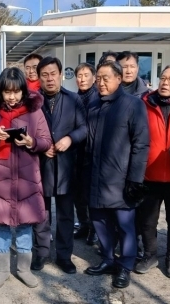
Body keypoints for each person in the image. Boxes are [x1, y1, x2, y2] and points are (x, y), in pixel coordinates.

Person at [0, 67, 52, 288]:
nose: (12, 97)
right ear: (0, 91)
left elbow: (46, 141)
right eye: (7, 92)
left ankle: (24, 269)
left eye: (16, 92)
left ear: (23, 91)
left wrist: (31, 142)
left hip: (27, 178)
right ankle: (2, 269)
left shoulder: (34, 112)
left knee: (25, 226)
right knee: (1, 226)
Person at [83, 60, 150, 289]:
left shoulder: (133, 105)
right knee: (100, 222)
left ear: (119, 79)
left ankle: (125, 266)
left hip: (121, 180)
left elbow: (141, 144)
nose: (100, 83)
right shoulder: (93, 105)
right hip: (95, 178)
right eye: (98, 78)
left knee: (125, 226)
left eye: (106, 78)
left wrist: (135, 179)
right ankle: (108, 259)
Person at [135, 66, 170, 280]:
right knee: (147, 220)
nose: (165, 83)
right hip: (150, 173)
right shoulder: (144, 102)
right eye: (162, 78)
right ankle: (149, 255)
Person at [31, 57, 87, 274]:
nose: (49, 78)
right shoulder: (33, 101)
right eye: (44, 74)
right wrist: (40, 146)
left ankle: (64, 256)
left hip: (66, 166)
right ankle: (42, 253)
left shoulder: (73, 100)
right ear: (39, 77)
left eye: (53, 73)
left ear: (61, 74)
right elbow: (25, 130)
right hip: (40, 164)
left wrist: (70, 139)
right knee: (41, 213)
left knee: (65, 214)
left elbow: (84, 128)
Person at [72, 63, 99, 246]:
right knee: (78, 194)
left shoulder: (98, 98)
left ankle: (93, 229)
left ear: (94, 77)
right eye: (79, 75)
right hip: (75, 152)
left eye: (86, 75)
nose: (82, 79)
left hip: (91, 152)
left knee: (90, 194)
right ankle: (83, 223)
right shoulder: (73, 98)